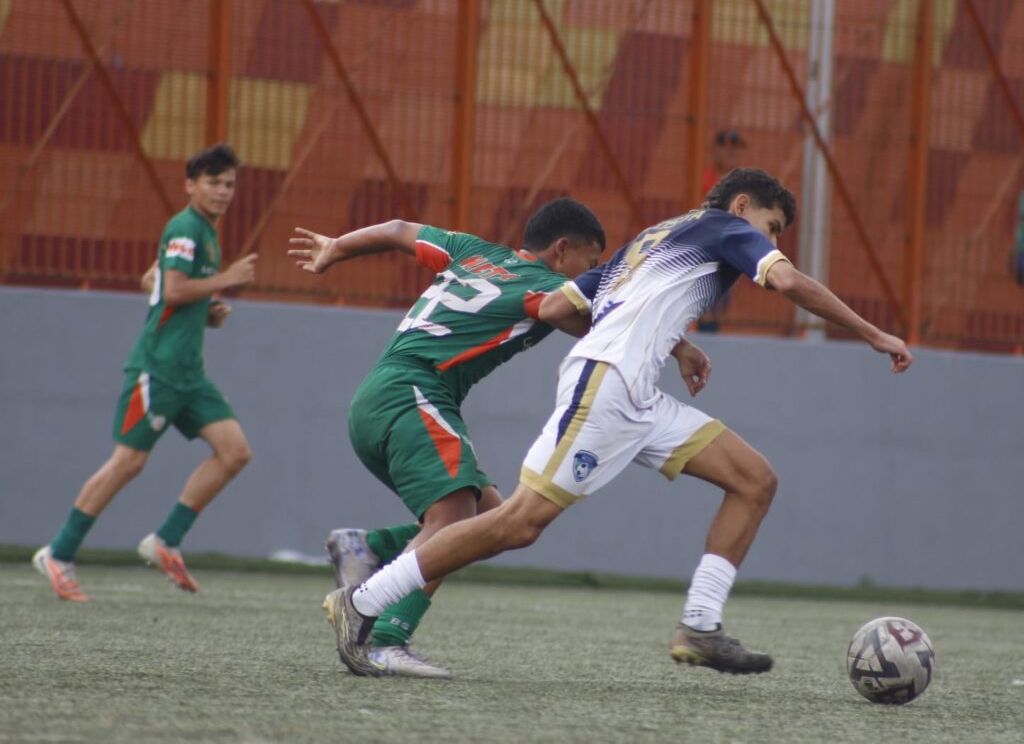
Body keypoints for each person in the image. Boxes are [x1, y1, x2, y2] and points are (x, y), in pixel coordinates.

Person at [325, 168, 913, 677]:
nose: (771, 240)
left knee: (754, 480)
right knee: (517, 524)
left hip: (636, 392)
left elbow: (557, 305)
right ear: (741, 206)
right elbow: (787, 281)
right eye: (772, 226)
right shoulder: (725, 227)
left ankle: (700, 626)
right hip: (606, 384)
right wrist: (873, 333)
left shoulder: (650, 239)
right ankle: (366, 601)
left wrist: (669, 341)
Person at [287, 198, 605, 678]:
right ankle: (384, 638)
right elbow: (591, 323)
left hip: (380, 394)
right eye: (591, 262)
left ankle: (369, 547)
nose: (590, 273)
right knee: (454, 521)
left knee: (494, 522)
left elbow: (397, 227)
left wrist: (337, 248)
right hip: (414, 394)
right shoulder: (547, 288)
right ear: (562, 250)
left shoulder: (473, 252)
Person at [33, 144, 258, 602]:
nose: (222, 191)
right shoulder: (185, 227)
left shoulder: (205, 232)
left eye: (229, 184)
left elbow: (150, 280)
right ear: (190, 185)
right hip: (157, 369)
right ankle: (58, 552)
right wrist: (226, 279)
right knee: (128, 463)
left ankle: (165, 540)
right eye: (213, 182)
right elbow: (171, 289)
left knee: (234, 452)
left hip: (189, 374)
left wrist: (205, 311)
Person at [698, 132, 747, 332]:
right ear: (715, 150)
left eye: (735, 147)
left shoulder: (742, 184)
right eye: (726, 147)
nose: (731, 152)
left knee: (718, 308)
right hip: (705, 250)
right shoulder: (704, 178)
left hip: (728, 253)